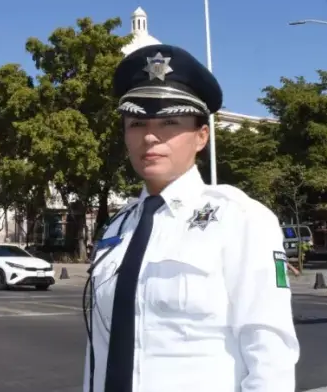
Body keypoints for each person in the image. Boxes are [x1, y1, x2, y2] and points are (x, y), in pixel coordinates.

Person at [83, 44, 299, 392]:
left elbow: (269, 351)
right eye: (137, 122)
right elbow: (100, 353)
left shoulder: (241, 219)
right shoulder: (118, 228)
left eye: (170, 122)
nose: (151, 136)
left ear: (202, 136)